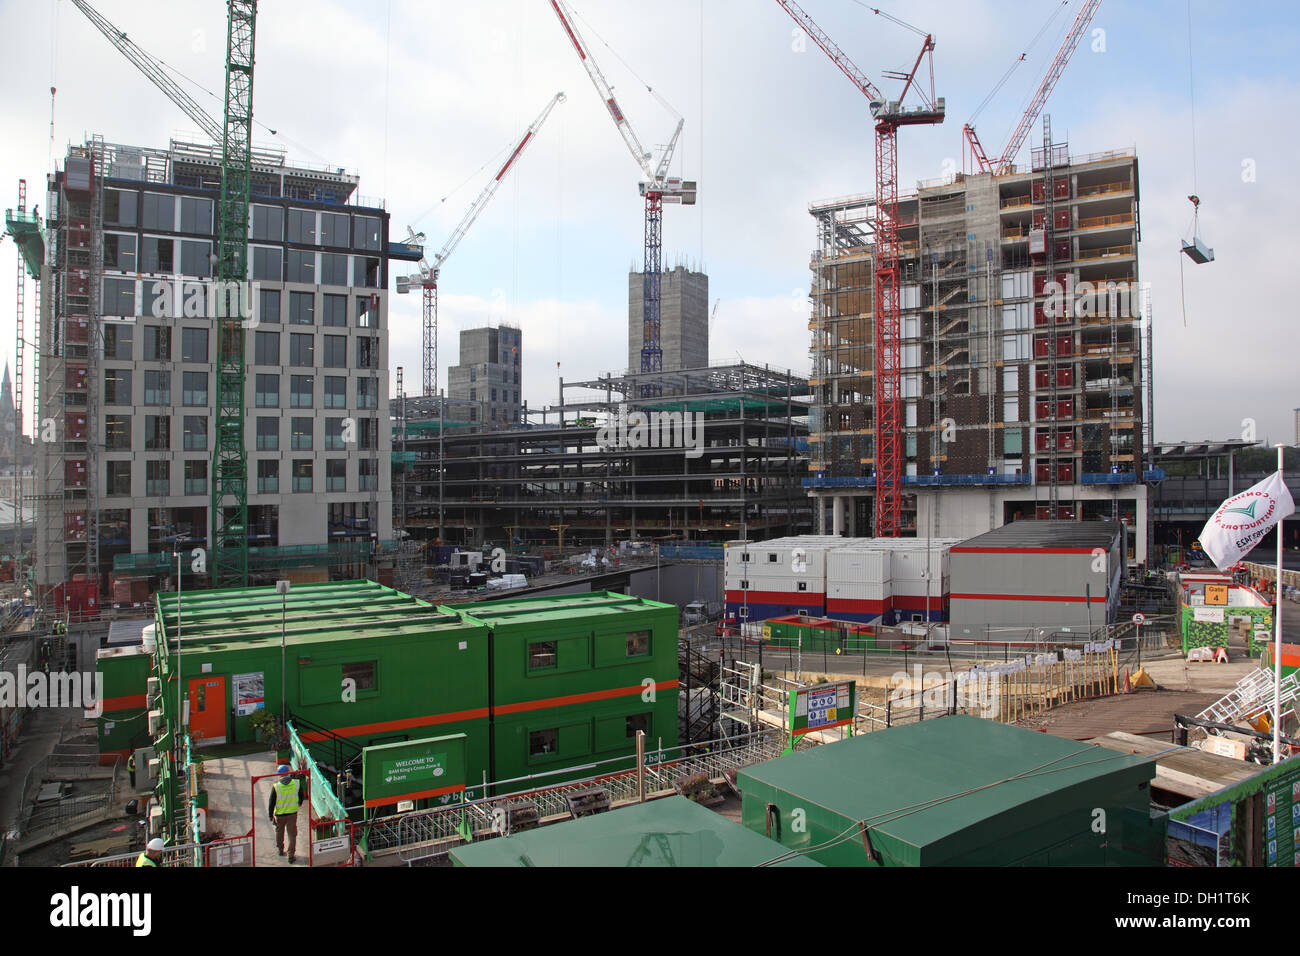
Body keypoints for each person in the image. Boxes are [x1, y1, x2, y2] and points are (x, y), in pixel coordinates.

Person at [267, 764, 303, 863]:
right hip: (292, 814)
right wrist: (299, 803)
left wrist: (270, 815)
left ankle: (280, 850)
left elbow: (271, 802)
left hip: (280, 815)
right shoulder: (297, 783)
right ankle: (291, 856)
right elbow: (301, 796)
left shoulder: (276, 787)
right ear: (288, 773)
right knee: (292, 835)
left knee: (279, 832)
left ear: (279, 775)